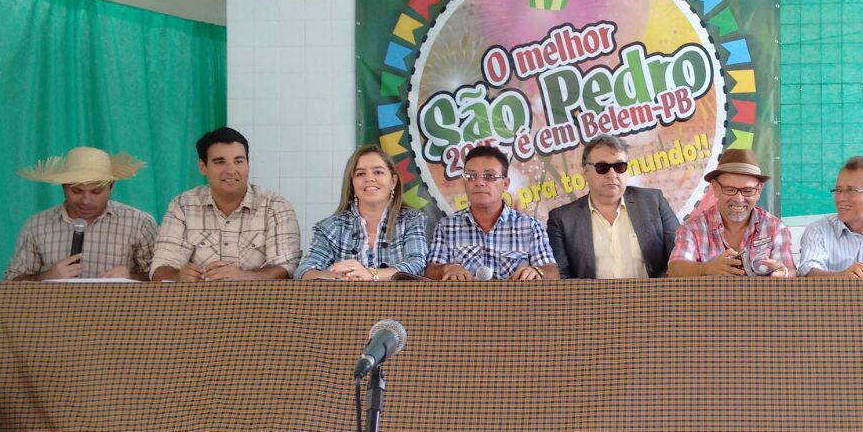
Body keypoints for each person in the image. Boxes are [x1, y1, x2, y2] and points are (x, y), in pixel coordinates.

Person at [150, 127, 300, 281]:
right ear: (203, 167)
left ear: (248, 164)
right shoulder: (182, 206)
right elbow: (160, 268)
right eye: (220, 162)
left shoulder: (275, 206)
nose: (231, 170)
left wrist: (244, 276)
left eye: (238, 161)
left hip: (259, 302)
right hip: (197, 302)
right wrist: (178, 276)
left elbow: (287, 267)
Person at [5, 147, 157, 281]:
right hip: (54, 312)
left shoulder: (139, 223)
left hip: (120, 311)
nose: (86, 200)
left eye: (96, 192)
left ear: (111, 187)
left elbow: (160, 279)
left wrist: (131, 277)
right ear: (64, 187)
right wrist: (46, 277)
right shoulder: (36, 225)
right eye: (76, 191)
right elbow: (12, 282)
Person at [546, 135, 679, 279]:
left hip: (651, 299)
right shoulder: (562, 219)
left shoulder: (654, 202)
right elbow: (561, 278)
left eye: (619, 166)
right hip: (590, 301)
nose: (612, 174)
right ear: (585, 172)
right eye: (602, 167)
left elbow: (678, 258)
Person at [426, 145, 558, 281]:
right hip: (464, 301)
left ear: (505, 184)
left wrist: (536, 271)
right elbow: (430, 271)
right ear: (464, 182)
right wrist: (447, 269)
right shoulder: (447, 227)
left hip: (514, 301)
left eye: (489, 176)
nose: (479, 182)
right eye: (471, 176)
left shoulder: (530, 226)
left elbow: (552, 272)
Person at [296, 145, 427, 280]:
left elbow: (417, 266)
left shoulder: (412, 220)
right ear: (352, 183)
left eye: (378, 172)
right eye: (360, 174)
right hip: (347, 301)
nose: (369, 179)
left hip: (398, 300)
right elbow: (303, 271)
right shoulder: (331, 226)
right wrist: (337, 277)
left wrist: (370, 274)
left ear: (393, 181)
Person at [668, 148, 792, 278]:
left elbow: (789, 270)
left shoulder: (775, 227)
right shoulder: (692, 228)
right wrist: (706, 268)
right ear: (715, 188)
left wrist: (784, 274)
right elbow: (674, 270)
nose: (739, 199)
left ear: (759, 190)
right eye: (729, 189)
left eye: (748, 190)